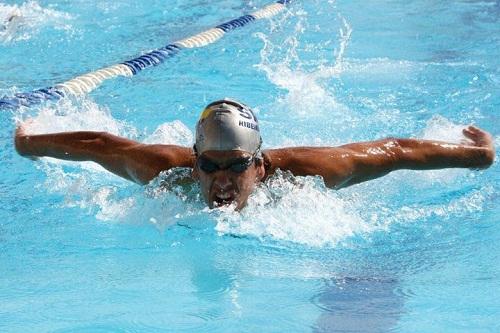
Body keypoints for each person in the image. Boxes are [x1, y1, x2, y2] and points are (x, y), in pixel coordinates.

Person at [14, 99, 495, 210]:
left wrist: (478, 156)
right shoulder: (165, 170)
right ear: (194, 159)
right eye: (210, 166)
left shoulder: (309, 173)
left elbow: (395, 151)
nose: (221, 181)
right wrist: (27, 143)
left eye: (236, 167)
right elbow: (97, 145)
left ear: (258, 165)